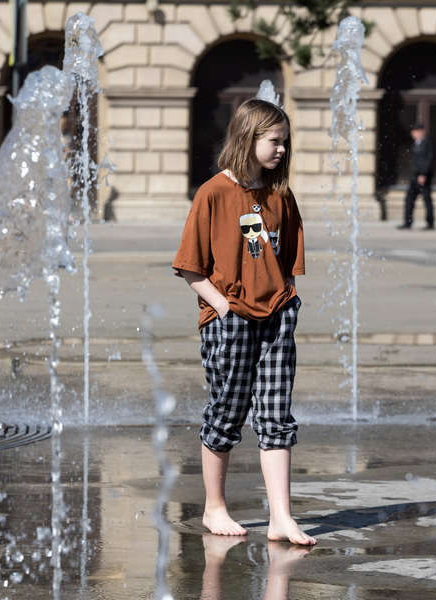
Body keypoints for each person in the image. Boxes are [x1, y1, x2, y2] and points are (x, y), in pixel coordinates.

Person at [172, 98, 316, 546]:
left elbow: (287, 261)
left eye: (285, 143)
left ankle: (281, 517)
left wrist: (288, 300)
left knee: (276, 416)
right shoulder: (213, 193)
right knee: (228, 412)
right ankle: (214, 508)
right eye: (274, 142)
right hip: (229, 320)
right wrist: (224, 306)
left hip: (276, 319)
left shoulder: (280, 196)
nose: (281, 151)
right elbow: (191, 268)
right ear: (247, 138)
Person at [398, 122, 435, 230]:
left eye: (415, 131)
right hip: (415, 175)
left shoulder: (427, 142)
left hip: (423, 176)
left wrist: (423, 174)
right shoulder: (417, 143)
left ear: (421, 131)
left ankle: (430, 223)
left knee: (426, 199)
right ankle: (407, 222)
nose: (413, 133)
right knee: (409, 199)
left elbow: (428, 159)